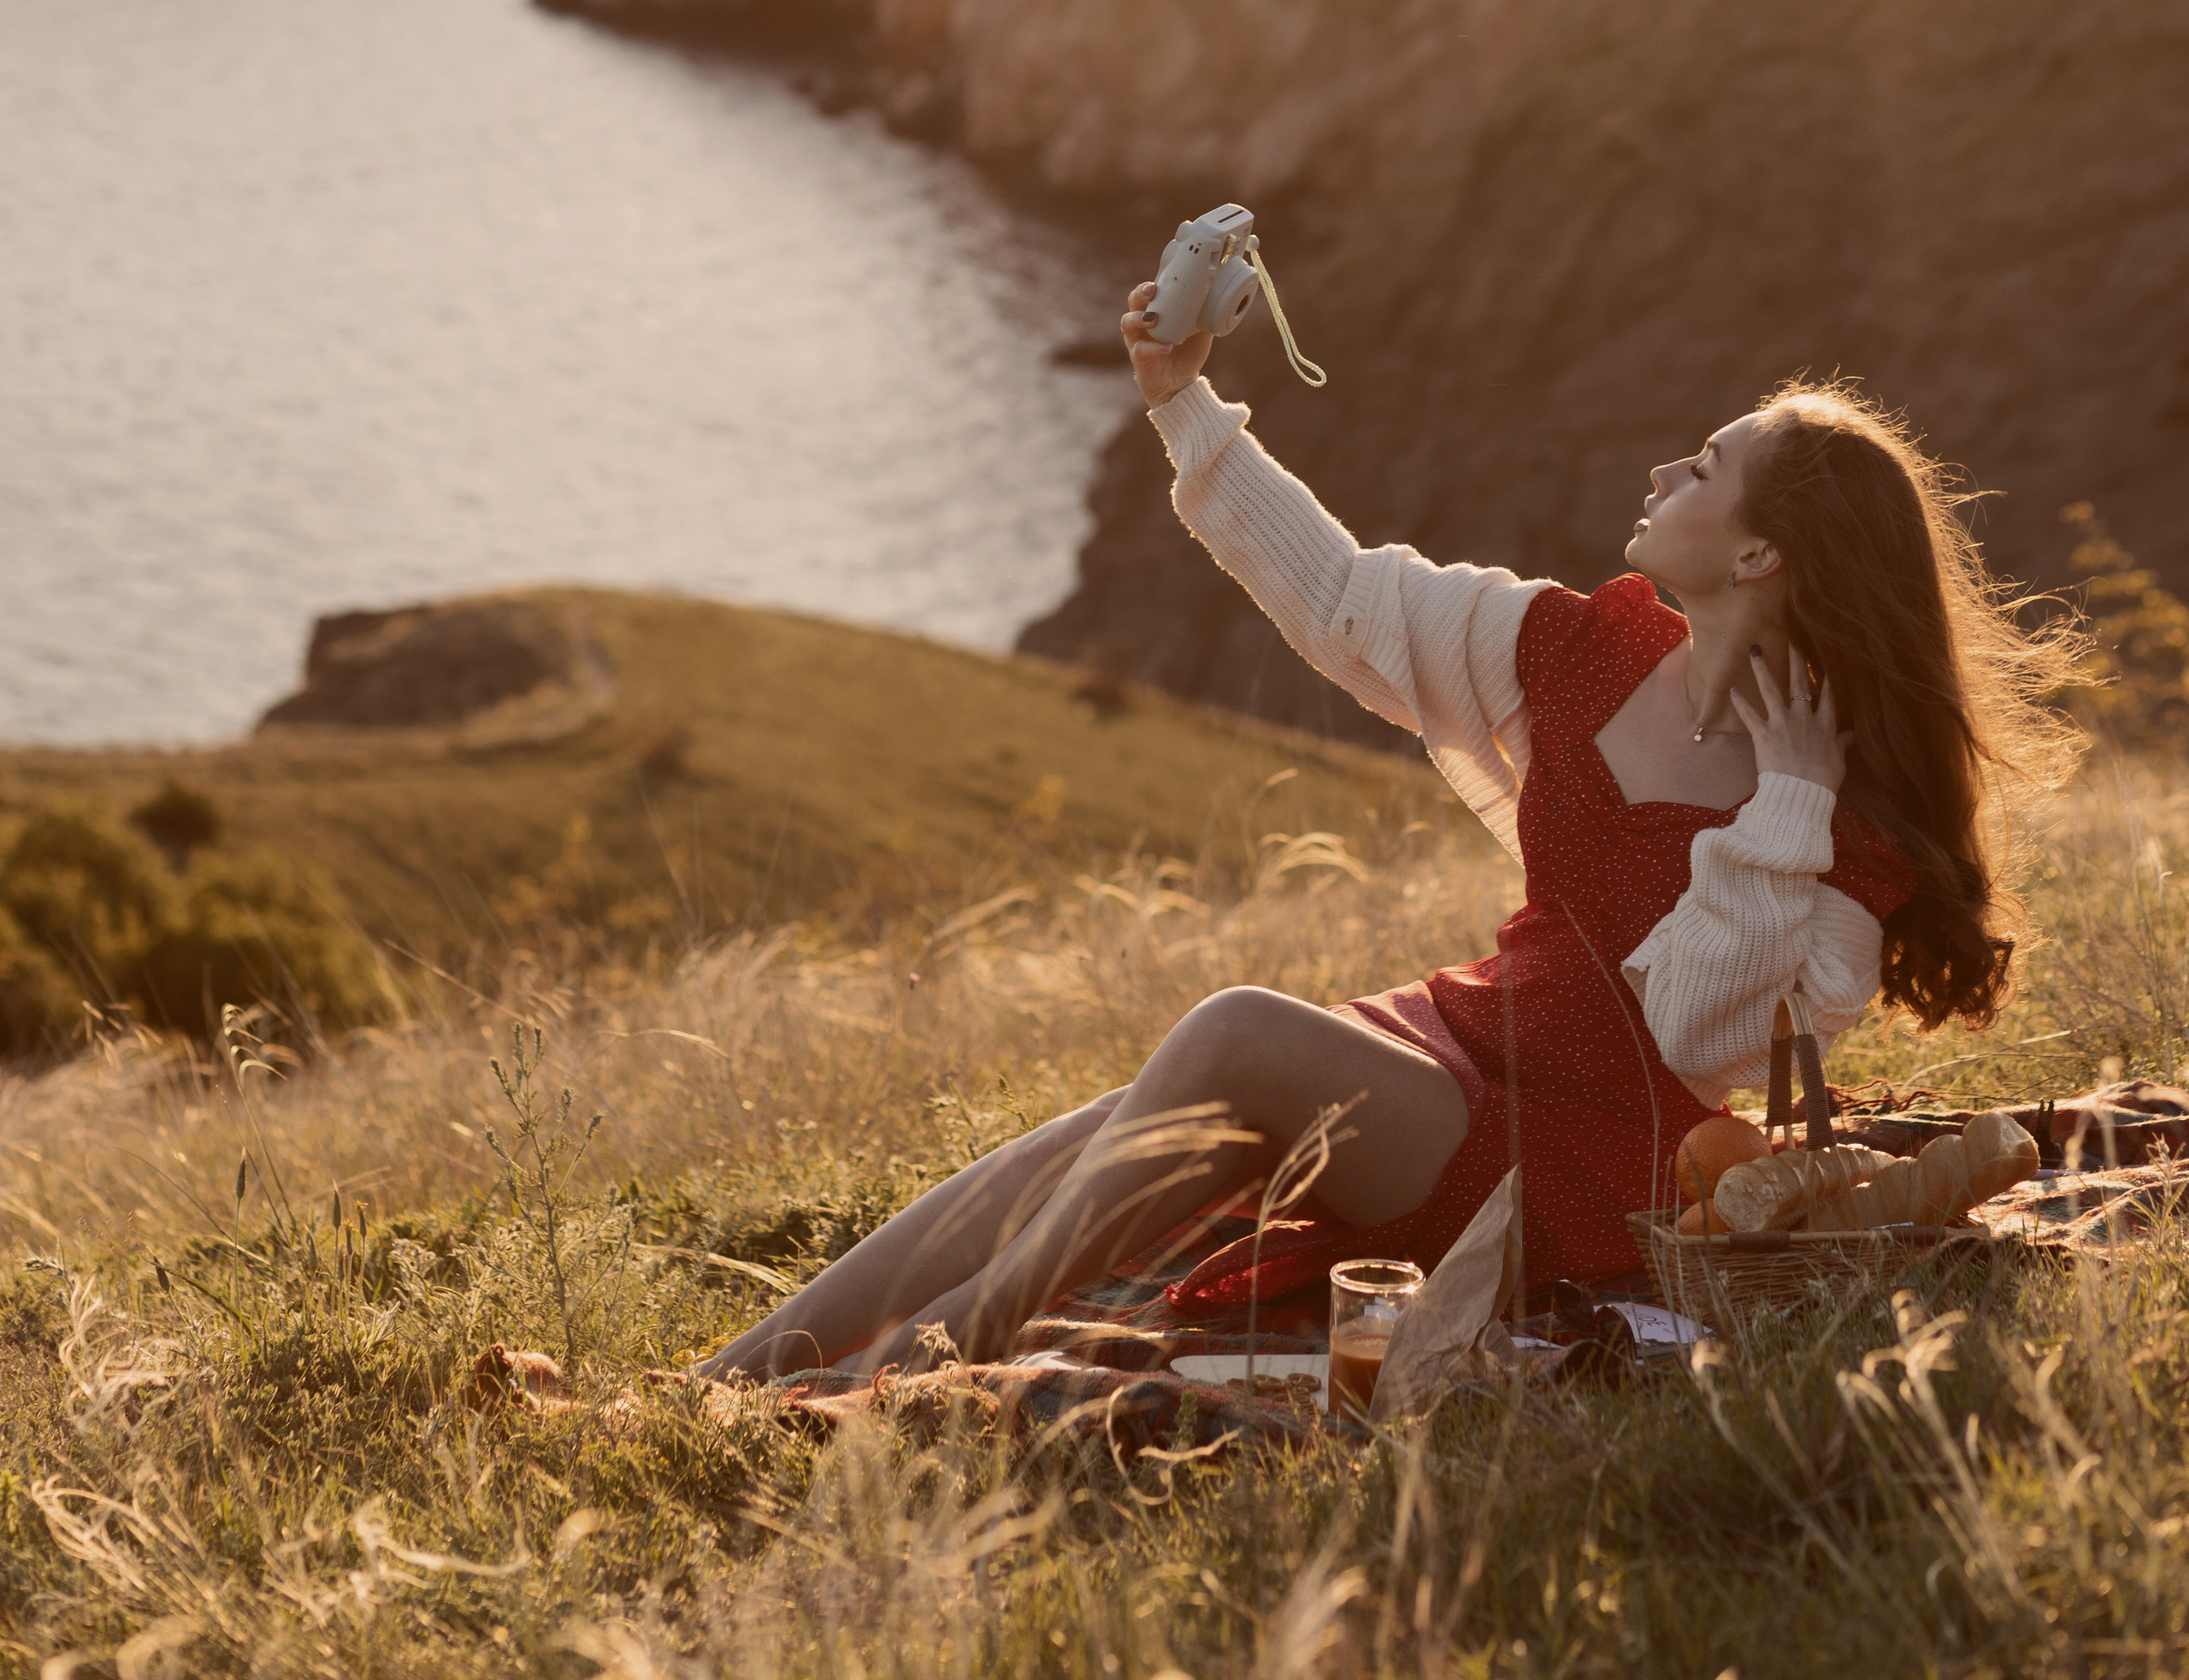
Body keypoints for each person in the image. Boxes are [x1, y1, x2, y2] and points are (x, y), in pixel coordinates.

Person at [699, 286, 2077, 1381]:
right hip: (1458, 1055)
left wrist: (1784, 807)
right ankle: (720, 1382)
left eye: (1708, 465)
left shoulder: (1842, 825)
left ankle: (915, 1369)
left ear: (1761, 555)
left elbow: (1693, 1032)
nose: (1669, 465)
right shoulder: (1582, 650)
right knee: (1108, 1130)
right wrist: (1185, 406)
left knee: (1237, 1035)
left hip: (1586, 1174)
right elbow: (1349, 600)